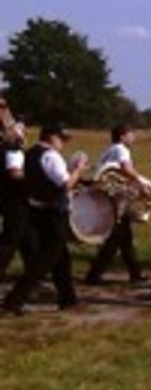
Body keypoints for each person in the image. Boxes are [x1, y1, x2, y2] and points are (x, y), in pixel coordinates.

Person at [3, 124, 87, 315]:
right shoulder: (50, 156)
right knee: (44, 262)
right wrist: (78, 169)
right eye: (62, 139)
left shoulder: (30, 153)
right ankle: (14, 301)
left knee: (62, 260)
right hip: (53, 214)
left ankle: (68, 299)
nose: (63, 143)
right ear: (51, 137)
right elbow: (66, 183)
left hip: (38, 211)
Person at [85, 123, 149, 285]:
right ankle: (94, 276)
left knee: (125, 238)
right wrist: (141, 182)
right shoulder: (121, 149)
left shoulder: (109, 150)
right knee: (115, 238)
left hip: (109, 197)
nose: (133, 137)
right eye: (131, 134)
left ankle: (135, 273)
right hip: (116, 199)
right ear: (122, 136)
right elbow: (125, 168)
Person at [0, 121, 28, 279]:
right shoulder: (13, 151)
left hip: (9, 198)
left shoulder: (7, 149)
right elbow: (14, 173)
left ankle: (34, 274)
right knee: (11, 239)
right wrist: (35, 177)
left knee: (28, 239)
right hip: (15, 200)